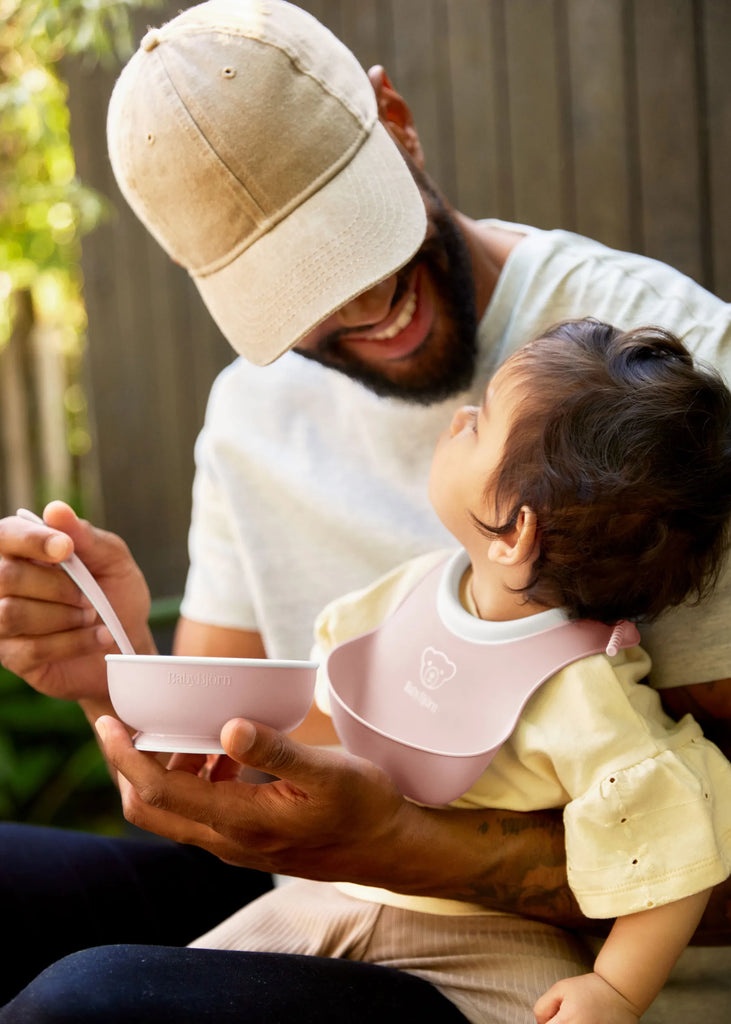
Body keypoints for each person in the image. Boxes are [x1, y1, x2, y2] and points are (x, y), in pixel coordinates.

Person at [0, 0, 728, 1017]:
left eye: (354, 237)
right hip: (324, 893)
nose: (357, 307)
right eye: (292, 284)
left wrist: (396, 839)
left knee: (87, 1004)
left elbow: (685, 824)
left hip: (541, 961)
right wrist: (108, 657)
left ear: (393, 119)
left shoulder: (663, 403)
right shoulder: (248, 412)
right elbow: (225, 758)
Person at [174, 318, 731, 1024]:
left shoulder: (582, 691)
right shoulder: (411, 593)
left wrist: (616, 990)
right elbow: (327, 705)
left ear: (515, 531)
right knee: (176, 987)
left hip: (496, 934)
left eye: (481, 423)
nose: (460, 417)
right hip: (335, 893)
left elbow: (672, 843)